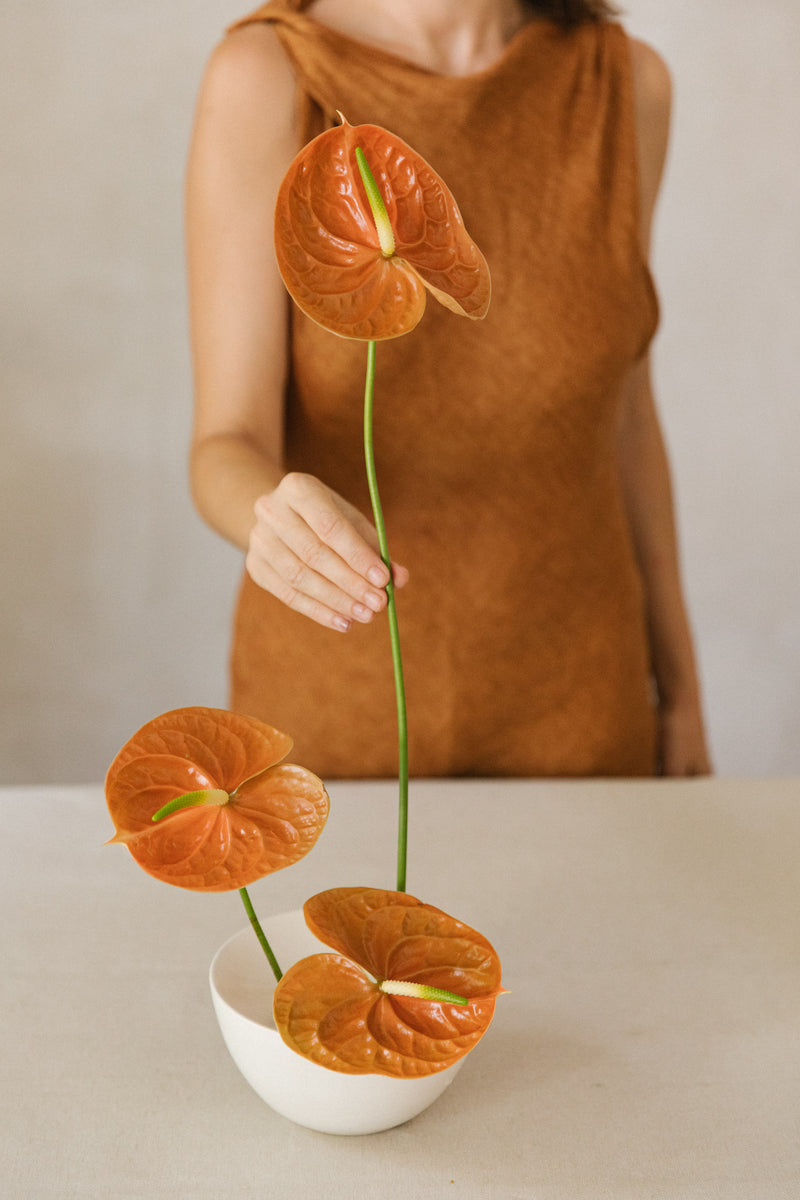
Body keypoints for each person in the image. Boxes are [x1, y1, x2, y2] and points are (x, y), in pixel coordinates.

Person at [185, 0, 711, 778]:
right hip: (337, 728)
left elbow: (625, 413)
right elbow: (225, 442)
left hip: (583, 714)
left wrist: (682, 692)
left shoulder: (626, 86)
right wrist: (270, 515)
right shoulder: (270, 76)